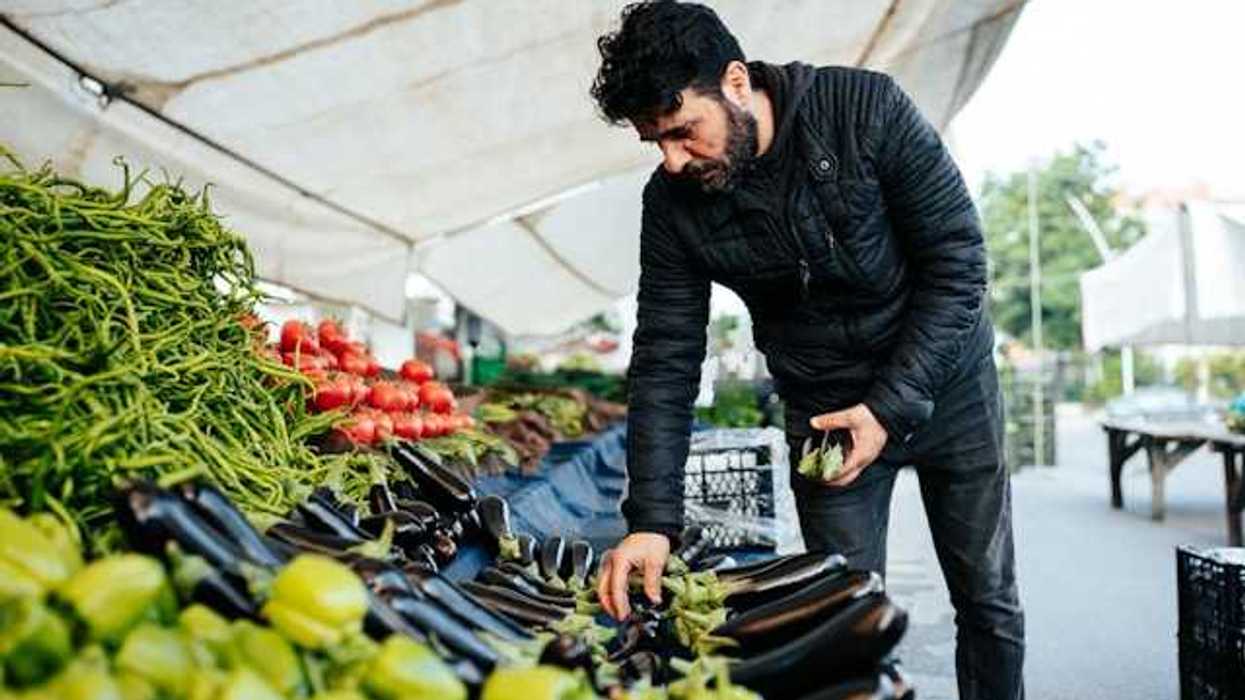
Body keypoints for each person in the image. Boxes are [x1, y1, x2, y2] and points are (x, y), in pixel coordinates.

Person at [588, 2, 1024, 698]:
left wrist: (886, 407)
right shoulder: (669, 206)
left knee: (987, 600)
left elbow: (958, 265)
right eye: (655, 143)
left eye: (681, 132)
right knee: (835, 614)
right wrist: (651, 522)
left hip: (948, 386)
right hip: (822, 411)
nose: (671, 160)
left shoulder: (862, 108)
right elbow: (666, 360)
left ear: (734, 82)